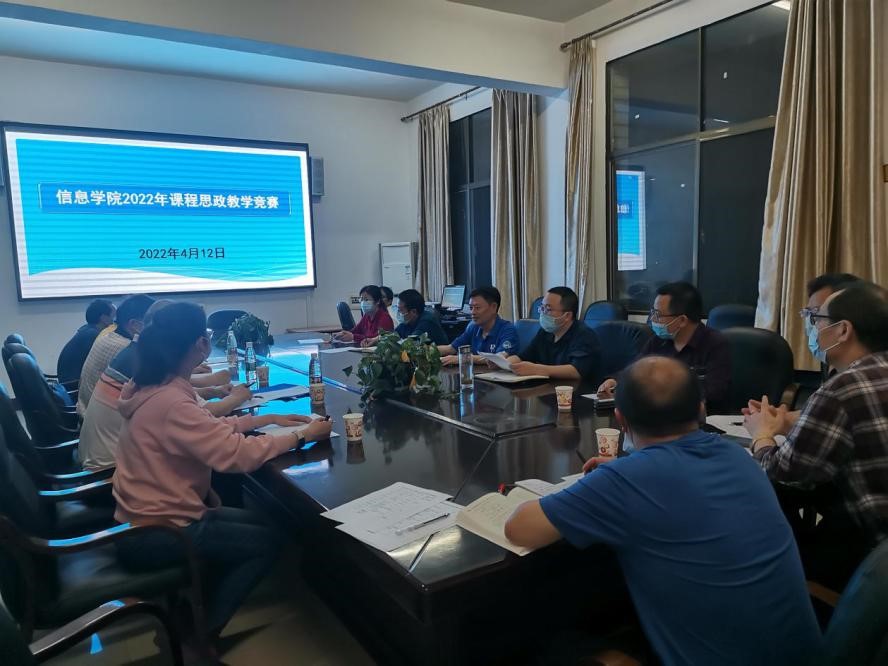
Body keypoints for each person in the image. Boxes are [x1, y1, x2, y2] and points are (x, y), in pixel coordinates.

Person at [505, 357, 821, 665]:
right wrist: (626, 472)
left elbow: (519, 528)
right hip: (804, 654)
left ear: (620, 419)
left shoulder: (625, 481)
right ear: (700, 409)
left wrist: (612, 481)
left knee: (542, 642)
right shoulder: (738, 456)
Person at [112, 302, 333, 651]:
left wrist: (262, 420)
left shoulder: (156, 385)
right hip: (159, 531)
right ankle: (201, 637)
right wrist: (301, 436)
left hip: (145, 519)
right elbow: (235, 455)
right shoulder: (171, 400)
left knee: (269, 524)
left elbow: (203, 428)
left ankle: (193, 611)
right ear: (200, 344)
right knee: (269, 543)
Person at [744, 282, 888, 590]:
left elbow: (783, 471)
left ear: (843, 330)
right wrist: (789, 423)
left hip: (872, 553)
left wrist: (761, 434)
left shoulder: (841, 388)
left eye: (817, 319)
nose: (812, 328)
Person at [78, 300, 249, 470]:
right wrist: (237, 397)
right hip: (112, 470)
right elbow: (205, 412)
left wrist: (212, 390)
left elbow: (175, 395)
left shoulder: (136, 353)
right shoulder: (141, 362)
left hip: (110, 457)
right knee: (215, 457)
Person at [597, 281, 730, 411]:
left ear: (682, 320)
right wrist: (615, 381)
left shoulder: (715, 343)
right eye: (652, 313)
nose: (652, 319)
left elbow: (714, 393)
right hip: (658, 413)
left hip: (701, 417)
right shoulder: (658, 341)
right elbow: (635, 369)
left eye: (658, 315)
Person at [77, 294, 155, 416]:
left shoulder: (108, 336)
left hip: (87, 412)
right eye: (157, 323)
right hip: (99, 418)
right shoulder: (127, 349)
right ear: (135, 325)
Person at [505, 286, 600, 380]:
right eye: (542, 307)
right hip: (549, 386)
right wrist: (505, 363)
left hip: (577, 388)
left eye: (548, 309)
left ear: (567, 315)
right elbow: (524, 356)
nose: (542, 313)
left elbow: (576, 371)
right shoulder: (545, 331)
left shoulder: (584, 335)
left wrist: (537, 369)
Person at [437, 286, 519, 365]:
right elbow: (451, 348)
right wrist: (430, 350)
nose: (472, 312)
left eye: (477, 308)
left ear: (493, 307)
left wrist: (463, 358)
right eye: (471, 308)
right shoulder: (473, 327)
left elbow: (499, 358)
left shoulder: (507, 330)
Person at [56, 299, 116, 386]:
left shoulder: (87, 330)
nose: (116, 321)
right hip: (74, 386)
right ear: (104, 318)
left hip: (68, 382)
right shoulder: (94, 335)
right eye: (114, 316)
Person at [363, 288, 448, 346]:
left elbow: (410, 343)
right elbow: (393, 335)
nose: (398, 313)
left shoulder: (427, 321)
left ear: (413, 311)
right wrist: (375, 340)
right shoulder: (408, 322)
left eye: (400, 310)